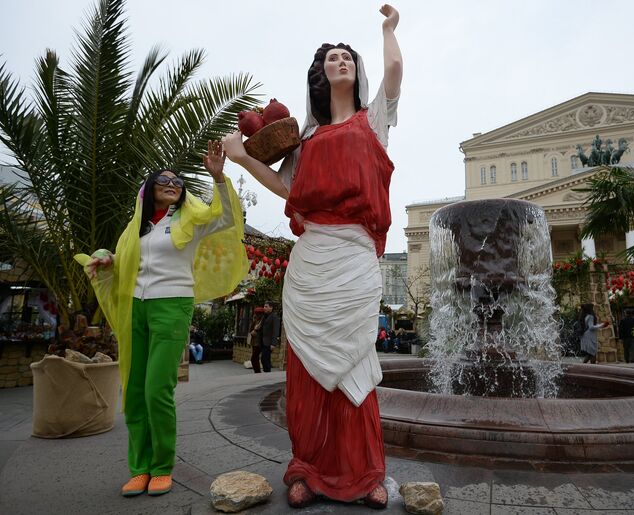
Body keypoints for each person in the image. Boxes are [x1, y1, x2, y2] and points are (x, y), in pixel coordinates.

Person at [222, 4, 402, 509]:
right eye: (332, 58)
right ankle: (306, 468)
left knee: (354, 367)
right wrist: (241, 157)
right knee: (306, 372)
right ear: (320, 74)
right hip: (310, 261)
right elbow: (285, 186)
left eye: (347, 56)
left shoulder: (375, 122)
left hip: (353, 257)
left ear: (355, 69)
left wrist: (387, 31)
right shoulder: (304, 140)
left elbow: (393, 73)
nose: (340, 62)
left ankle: (367, 474)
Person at [75, 140, 248, 498]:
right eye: (163, 179)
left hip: (173, 305)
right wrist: (106, 257)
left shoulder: (191, 220)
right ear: (149, 188)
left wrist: (218, 178)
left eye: (177, 180)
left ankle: (162, 466)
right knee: (135, 391)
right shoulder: (138, 227)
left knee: (157, 390)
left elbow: (228, 218)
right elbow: (123, 257)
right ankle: (139, 468)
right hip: (135, 307)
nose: (172, 183)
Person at [258, 301, 280, 372]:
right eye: (264, 306)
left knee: (264, 359)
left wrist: (273, 344)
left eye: (266, 306)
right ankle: (266, 373)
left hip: (268, 342)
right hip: (262, 341)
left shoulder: (274, 317)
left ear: (271, 307)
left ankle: (267, 373)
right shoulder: (264, 316)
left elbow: (275, 331)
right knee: (264, 359)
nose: (264, 308)